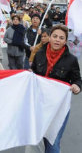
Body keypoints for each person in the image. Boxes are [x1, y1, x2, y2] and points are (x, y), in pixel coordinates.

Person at [31, 24, 81, 153]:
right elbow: (34, 72)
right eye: (55, 36)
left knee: (52, 142)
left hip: (59, 108)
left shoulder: (71, 60)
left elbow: (77, 79)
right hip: (38, 104)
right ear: (50, 38)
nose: (57, 40)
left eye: (61, 38)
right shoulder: (39, 54)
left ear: (65, 41)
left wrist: (77, 86)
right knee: (33, 140)